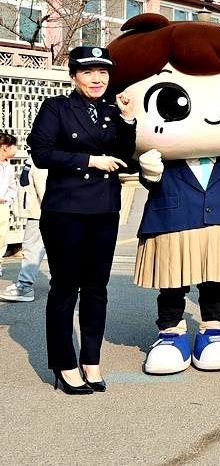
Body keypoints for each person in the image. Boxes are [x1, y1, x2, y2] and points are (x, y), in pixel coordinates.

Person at [107, 15, 220, 375]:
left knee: (215, 279)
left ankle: (213, 329)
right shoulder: (161, 158)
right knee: (172, 280)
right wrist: (149, 172)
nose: (213, 116)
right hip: (172, 218)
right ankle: (171, 332)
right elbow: (144, 175)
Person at [27, 46, 137, 394]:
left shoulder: (112, 111)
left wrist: (128, 120)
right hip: (66, 212)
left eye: (102, 72)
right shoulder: (56, 108)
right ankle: (65, 364)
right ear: (73, 76)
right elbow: (42, 153)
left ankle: (91, 360)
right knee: (65, 288)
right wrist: (90, 161)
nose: (97, 78)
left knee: (96, 289)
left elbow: (124, 156)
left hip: (104, 210)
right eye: (88, 72)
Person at [0, 160, 47, 302]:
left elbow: (45, 190)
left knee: (31, 248)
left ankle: (24, 287)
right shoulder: (40, 157)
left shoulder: (41, 159)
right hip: (41, 212)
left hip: (39, 213)